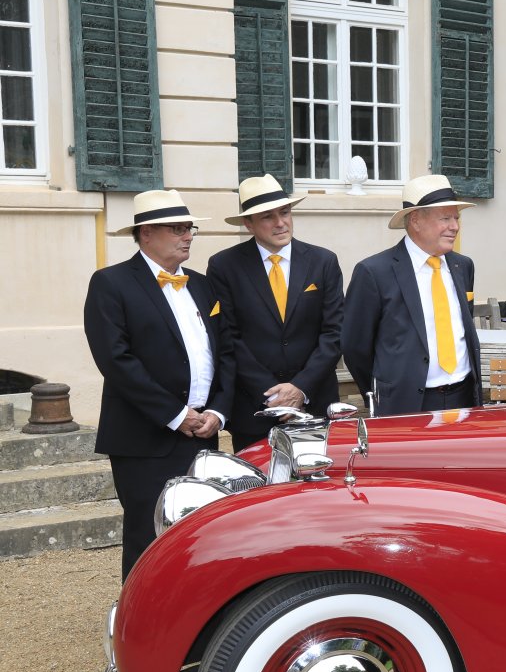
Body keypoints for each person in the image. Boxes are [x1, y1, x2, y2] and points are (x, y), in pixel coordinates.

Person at [84, 190, 234, 579]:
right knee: (149, 537)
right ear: (146, 233)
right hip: (144, 438)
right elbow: (116, 361)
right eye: (177, 229)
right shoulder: (111, 283)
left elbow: (226, 352)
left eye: (189, 228)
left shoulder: (202, 285)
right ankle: (141, 615)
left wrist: (218, 411)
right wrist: (175, 414)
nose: (187, 236)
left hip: (203, 433)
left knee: (201, 536)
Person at [205, 176, 344, 449]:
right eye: (268, 216)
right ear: (248, 224)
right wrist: (273, 396)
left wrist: (301, 388)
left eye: (285, 212)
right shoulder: (224, 266)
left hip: (314, 404)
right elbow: (228, 338)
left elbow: (335, 332)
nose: (280, 223)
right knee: (258, 477)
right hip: (254, 410)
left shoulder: (323, 261)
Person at [343, 175, 482, 416]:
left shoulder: (463, 266)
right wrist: (384, 393)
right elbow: (355, 347)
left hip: (464, 398)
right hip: (405, 405)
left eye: (456, 218)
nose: (455, 227)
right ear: (416, 220)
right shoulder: (374, 272)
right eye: (445, 218)